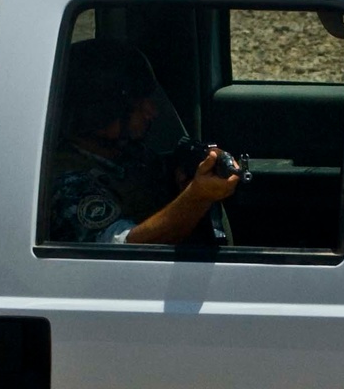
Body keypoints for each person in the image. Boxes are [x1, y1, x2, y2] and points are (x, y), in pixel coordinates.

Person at [49, 39, 238, 244]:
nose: (151, 111)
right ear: (100, 111)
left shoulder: (130, 156)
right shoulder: (69, 184)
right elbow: (127, 250)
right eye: (137, 104)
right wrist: (196, 197)